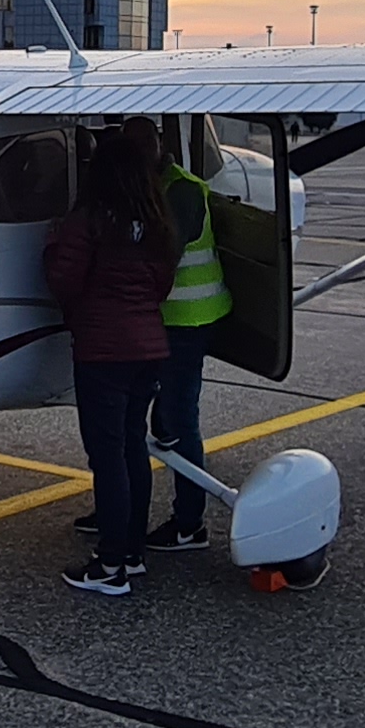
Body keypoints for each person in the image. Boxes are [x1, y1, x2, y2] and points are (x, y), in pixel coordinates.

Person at [43, 122, 178, 596]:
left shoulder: (89, 220)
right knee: (132, 446)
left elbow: (64, 279)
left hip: (103, 351)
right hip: (149, 347)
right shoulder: (155, 221)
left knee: (108, 457)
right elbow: (162, 284)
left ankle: (111, 563)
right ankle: (133, 552)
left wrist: (51, 248)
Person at [147, 118, 230, 552]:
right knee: (159, 419)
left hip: (189, 320)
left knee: (180, 418)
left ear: (159, 148)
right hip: (161, 320)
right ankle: (118, 513)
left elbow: (164, 257)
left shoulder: (181, 190)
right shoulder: (152, 187)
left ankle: (189, 523)